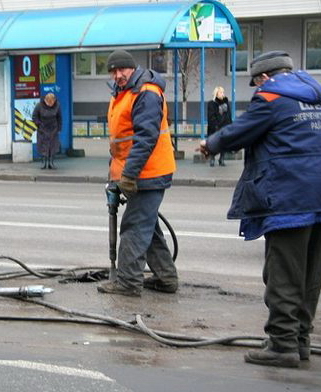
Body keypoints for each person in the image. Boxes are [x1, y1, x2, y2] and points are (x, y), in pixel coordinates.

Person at [200, 51, 321, 368]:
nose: (256, 88)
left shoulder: (271, 97)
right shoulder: (315, 97)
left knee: (283, 274)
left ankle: (282, 346)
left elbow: (240, 131)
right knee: (309, 274)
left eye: (255, 82)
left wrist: (210, 145)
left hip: (289, 196)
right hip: (318, 196)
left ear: (265, 77)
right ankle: (300, 341)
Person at [97, 49, 178, 297]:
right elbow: (122, 141)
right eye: (114, 71)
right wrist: (116, 177)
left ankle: (128, 282)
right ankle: (166, 278)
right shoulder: (124, 93)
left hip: (148, 173)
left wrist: (129, 176)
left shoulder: (146, 93)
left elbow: (145, 139)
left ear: (133, 69)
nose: (118, 74)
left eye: (122, 70)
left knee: (134, 226)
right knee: (147, 227)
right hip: (137, 172)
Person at [32, 93, 62, 169]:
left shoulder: (57, 105)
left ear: (54, 101)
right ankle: (44, 162)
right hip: (42, 128)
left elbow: (59, 117)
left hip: (53, 128)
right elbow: (34, 116)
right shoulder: (39, 105)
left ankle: (51, 162)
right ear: (45, 100)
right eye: (48, 103)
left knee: (53, 146)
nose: (50, 104)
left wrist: (59, 128)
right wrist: (38, 124)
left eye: (52, 103)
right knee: (43, 146)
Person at [206, 86, 232, 167]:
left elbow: (228, 115)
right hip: (215, 127)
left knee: (223, 143)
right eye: (221, 92)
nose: (222, 94)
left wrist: (229, 125)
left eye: (223, 92)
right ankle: (212, 159)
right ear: (216, 94)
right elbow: (211, 116)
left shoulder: (226, 103)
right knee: (213, 143)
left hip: (225, 126)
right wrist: (216, 125)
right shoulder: (212, 103)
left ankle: (222, 159)